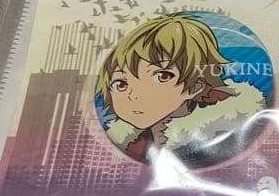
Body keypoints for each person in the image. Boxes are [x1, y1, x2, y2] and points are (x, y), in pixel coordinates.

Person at [96, 14, 265, 161]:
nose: (134, 95)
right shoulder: (135, 143)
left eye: (162, 76)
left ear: (196, 86)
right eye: (121, 84)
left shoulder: (218, 131)